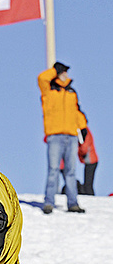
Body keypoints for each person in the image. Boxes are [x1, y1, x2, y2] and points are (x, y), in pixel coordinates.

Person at [38, 62, 87, 214]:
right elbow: (41, 78)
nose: (65, 74)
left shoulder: (72, 92)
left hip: (71, 136)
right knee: (53, 169)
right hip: (55, 136)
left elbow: (76, 111)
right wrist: (54, 70)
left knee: (71, 171)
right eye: (62, 71)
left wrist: (83, 126)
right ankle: (49, 202)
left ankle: (73, 203)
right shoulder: (48, 90)